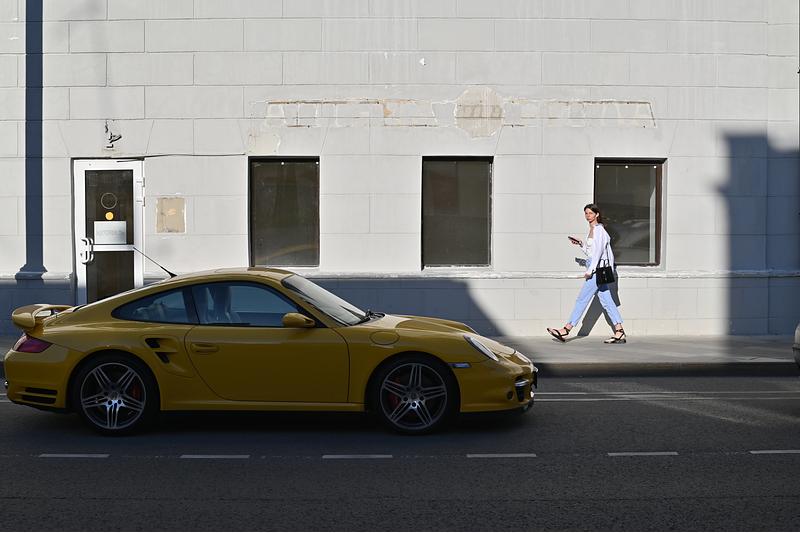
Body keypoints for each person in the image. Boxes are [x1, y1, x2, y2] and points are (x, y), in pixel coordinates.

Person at [547, 203, 626, 344]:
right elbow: (591, 253)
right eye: (586, 213)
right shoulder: (592, 230)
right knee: (607, 301)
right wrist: (581, 244)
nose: (588, 216)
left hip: (597, 271)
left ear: (597, 214)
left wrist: (590, 271)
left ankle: (566, 329)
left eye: (590, 213)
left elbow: (598, 253)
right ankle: (619, 331)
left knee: (582, 299)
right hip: (596, 268)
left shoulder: (599, 230)